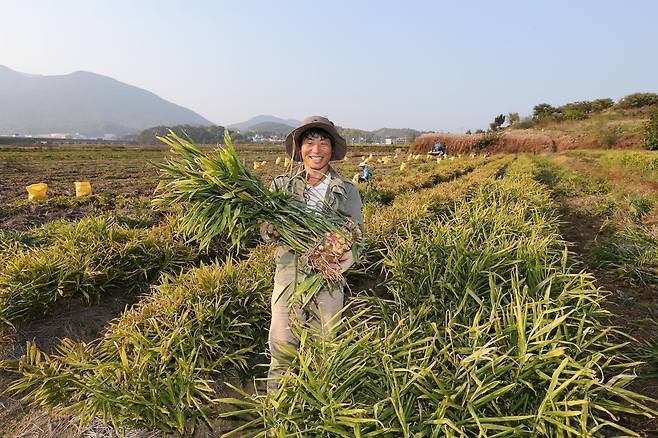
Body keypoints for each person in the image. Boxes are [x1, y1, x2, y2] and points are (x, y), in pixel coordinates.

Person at [259, 115, 364, 391]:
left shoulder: (348, 190)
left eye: (323, 141)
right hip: (289, 278)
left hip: (329, 281)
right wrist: (268, 229)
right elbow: (264, 232)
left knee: (325, 352)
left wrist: (349, 255)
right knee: (282, 352)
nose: (316, 149)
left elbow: (358, 235)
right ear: (300, 147)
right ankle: (278, 414)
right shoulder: (281, 187)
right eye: (309, 141)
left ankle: (316, 410)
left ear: (332, 148)